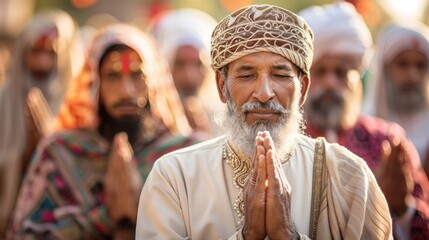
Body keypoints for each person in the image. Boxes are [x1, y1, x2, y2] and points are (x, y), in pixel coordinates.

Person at [136, 4, 392, 239]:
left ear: (302, 89)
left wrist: (289, 235)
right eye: (247, 75)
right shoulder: (174, 177)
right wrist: (247, 236)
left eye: (280, 75)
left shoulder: (348, 176)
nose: (264, 92)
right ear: (222, 87)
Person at [7, 24, 201, 239]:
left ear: (153, 83)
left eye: (137, 75)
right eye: (112, 76)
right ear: (94, 84)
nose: (126, 90)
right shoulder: (61, 152)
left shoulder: (182, 154)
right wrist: (103, 218)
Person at [299, 2, 429, 239]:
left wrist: (402, 210)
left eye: (341, 72)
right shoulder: (285, 142)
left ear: (357, 79)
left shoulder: (388, 139)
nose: (330, 83)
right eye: (320, 71)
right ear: (304, 80)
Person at [0, 9, 83, 237]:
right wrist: (23, 155)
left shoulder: (79, 107)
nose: (42, 62)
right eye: (34, 52)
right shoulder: (3, 102)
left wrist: (50, 147)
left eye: (51, 53)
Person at [363, 21, 429, 173]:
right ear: (385, 69)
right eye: (402, 64)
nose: (412, 75)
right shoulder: (363, 130)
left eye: (420, 66)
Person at [149, 8, 221, 135]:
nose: (189, 77)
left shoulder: (226, 124)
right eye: (179, 64)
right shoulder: (147, 124)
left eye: (199, 64)